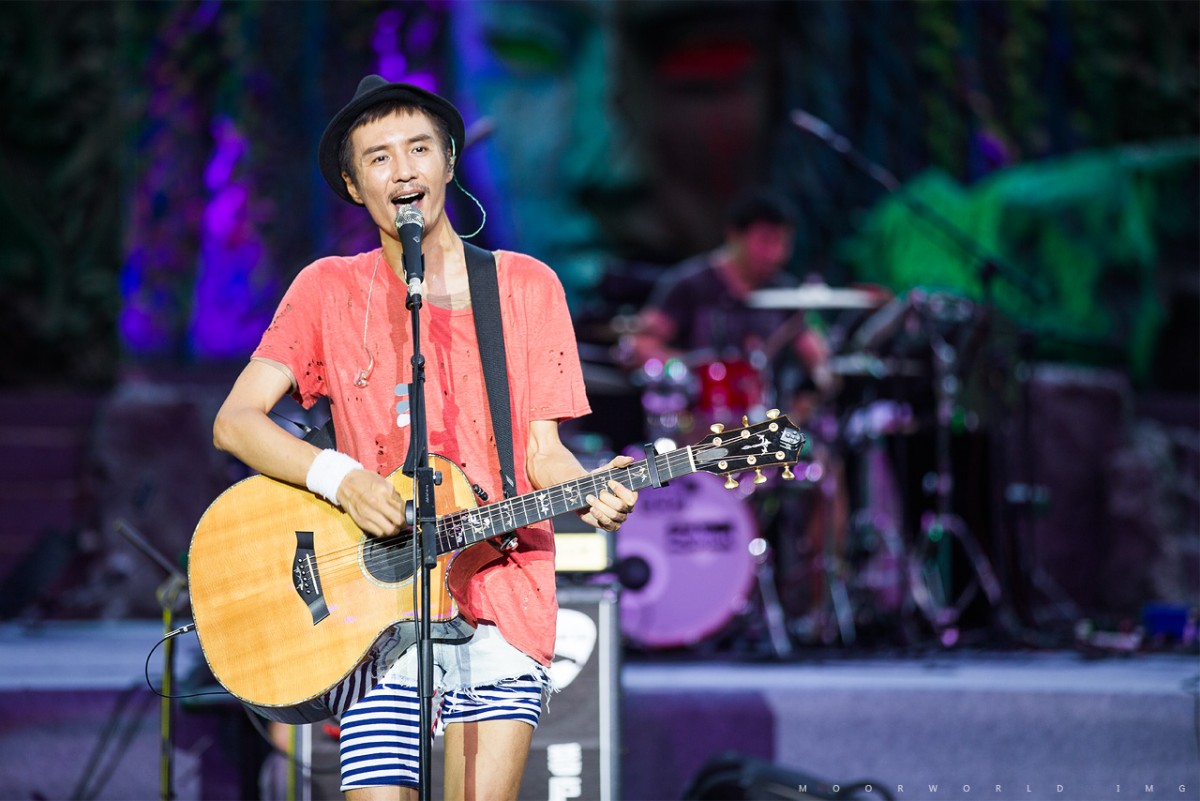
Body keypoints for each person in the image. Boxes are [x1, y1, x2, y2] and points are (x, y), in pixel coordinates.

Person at [212, 75, 638, 800]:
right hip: (372, 604)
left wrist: (591, 489)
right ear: (354, 187)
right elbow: (235, 421)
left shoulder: (524, 286)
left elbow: (542, 453)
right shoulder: (326, 290)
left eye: (418, 149)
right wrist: (341, 478)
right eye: (378, 158)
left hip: (500, 587)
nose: (403, 170)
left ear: (448, 162)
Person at [624, 187, 832, 433]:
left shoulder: (786, 292)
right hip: (694, 425)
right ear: (734, 236)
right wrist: (691, 370)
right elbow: (642, 345)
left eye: (783, 243)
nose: (775, 253)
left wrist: (815, 385)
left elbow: (816, 356)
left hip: (766, 425)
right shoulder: (690, 284)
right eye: (765, 241)